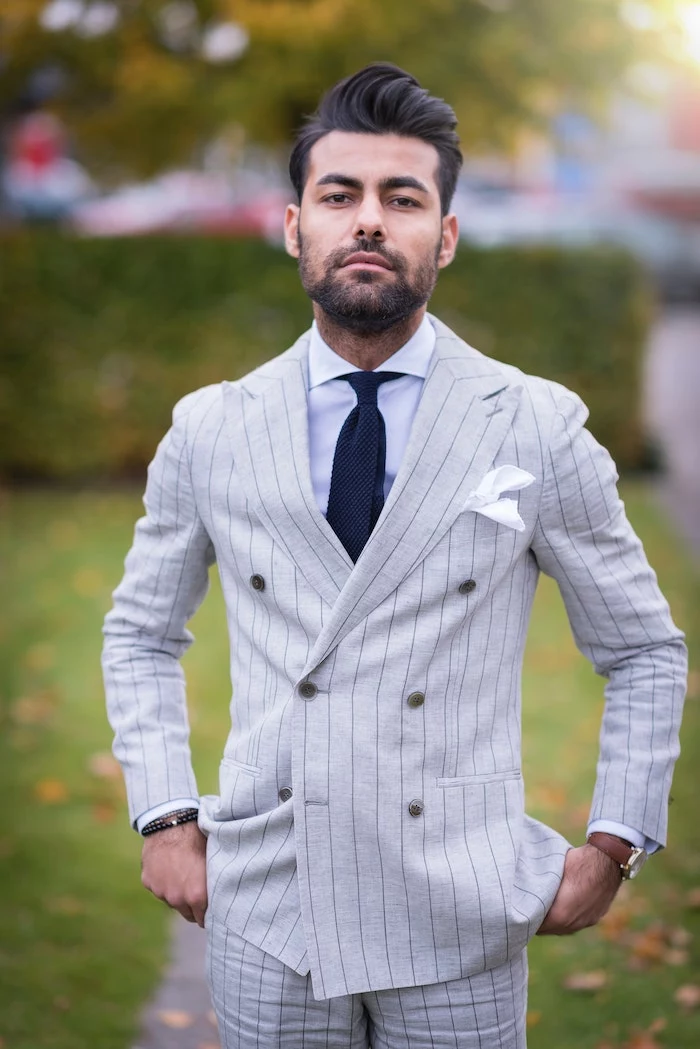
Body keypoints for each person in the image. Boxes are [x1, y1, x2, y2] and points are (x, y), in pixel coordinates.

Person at [102, 64, 687, 1048]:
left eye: (401, 198)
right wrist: (164, 813)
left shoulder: (535, 426)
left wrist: (615, 841)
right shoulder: (211, 428)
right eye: (339, 195)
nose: (367, 221)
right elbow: (139, 633)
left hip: (459, 916)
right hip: (267, 911)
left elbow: (642, 649)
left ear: (444, 236)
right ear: (295, 227)